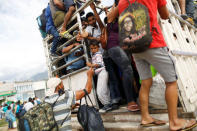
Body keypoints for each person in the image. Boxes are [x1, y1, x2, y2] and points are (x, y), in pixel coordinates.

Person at [112, 0, 197, 130]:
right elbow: (165, 15)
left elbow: (110, 17)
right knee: (171, 81)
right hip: (153, 42)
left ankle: (145, 118)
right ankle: (174, 122)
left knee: (145, 82)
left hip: (134, 46)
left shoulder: (122, 1)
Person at [103, 1, 140, 112]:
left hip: (125, 47)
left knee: (130, 71)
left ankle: (135, 97)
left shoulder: (124, 19)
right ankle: (130, 101)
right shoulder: (110, 20)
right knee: (127, 69)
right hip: (114, 46)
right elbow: (117, 8)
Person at [87, 40, 111, 112]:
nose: (93, 50)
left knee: (100, 90)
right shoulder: (94, 54)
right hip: (101, 73)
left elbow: (99, 64)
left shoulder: (98, 54)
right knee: (104, 89)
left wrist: (90, 65)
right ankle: (108, 104)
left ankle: (107, 104)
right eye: (91, 48)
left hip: (102, 72)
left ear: (98, 47)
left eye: (95, 48)